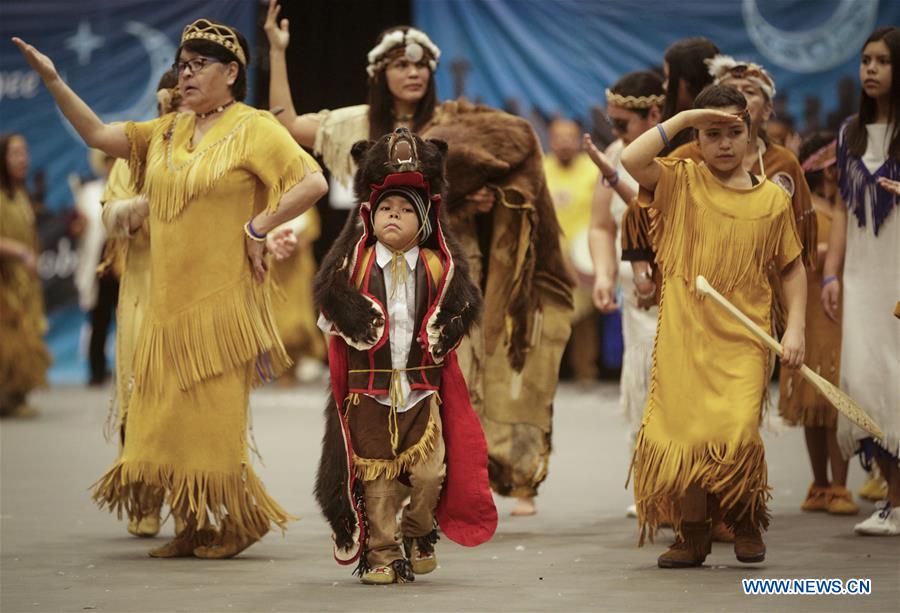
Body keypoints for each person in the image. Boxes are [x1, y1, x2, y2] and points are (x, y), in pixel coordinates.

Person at [13, 15, 328, 558]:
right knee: (165, 426)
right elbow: (96, 135)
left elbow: (313, 181)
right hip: (165, 308)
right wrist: (54, 81)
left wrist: (258, 226)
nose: (185, 75)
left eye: (198, 65)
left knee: (210, 425)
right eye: (181, 65)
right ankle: (190, 522)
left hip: (220, 310)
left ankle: (236, 521)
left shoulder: (254, 127)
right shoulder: (165, 131)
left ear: (232, 72)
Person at [265, 1, 573, 517]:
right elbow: (285, 122)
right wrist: (277, 53)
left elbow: (505, 164)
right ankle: (391, 484)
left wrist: (480, 201)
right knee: (382, 380)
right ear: (380, 74)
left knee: (459, 374)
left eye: (420, 65)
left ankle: (446, 487)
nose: (412, 72)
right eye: (400, 65)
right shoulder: (357, 123)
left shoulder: (457, 123)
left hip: (448, 269)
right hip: (374, 274)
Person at [622, 84, 806, 567]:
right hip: (684, 338)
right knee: (684, 436)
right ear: (697, 140)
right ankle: (692, 533)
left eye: (733, 132)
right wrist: (682, 119)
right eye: (711, 133)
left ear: (750, 134)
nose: (724, 143)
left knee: (738, 429)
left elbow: (792, 268)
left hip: (744, 340)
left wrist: (797, 329)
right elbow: (630, 161)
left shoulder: (772, 200)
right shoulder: (680, 181)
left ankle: (745, 520)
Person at [313, 129, 495, 584]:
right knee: (376, 479)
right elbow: (328, 314)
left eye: (404, 211)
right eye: (385, 210)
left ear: (425, 221)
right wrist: (348, 320)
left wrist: (449, 329)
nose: (393, 217)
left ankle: (419, 530)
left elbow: (464, 305)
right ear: (369, 215)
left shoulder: (440, 266)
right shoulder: (352, 265)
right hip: (369, 394)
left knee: (431, 475)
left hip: (421, 392)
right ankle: (381, 554)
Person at [822, 26, 900, 536]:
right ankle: (893, 499)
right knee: (868, 382)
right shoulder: (849, 135)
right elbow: (841, 213)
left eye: (882, 61)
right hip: (861, 280)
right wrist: (830, 272)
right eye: (865, 60)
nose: (870, 69)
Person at [583, 70, 664, 518]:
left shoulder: (677, 155)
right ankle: (652, 485)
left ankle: (695, 490)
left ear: (654, 114)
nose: (614, 133)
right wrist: (603, 274)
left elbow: (654, 211)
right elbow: (601, 225)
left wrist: (615, 177)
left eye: (623, 124)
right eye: (611, 124)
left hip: (677, 294)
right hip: (635, 300)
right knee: (640, 389)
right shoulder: (614, 153)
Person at [777, 132, 858, 515]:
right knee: (816, 407)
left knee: (834, 408)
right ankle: (823, 484)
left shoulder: (840, 212)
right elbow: (793, 259)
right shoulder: (807, 214)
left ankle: (838, 485)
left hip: (838, 317)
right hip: (812, 317)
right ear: (826, 173)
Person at [544, 117, 600, 385]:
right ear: (550, 140)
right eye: (559, 137)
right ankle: (549, 374)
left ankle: (585, 371)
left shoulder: (593, 171)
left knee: (585, 317)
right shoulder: (540, 169)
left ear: (579, 140)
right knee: (549, 316)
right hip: (550, 256)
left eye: (570, 137)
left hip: (584, 256)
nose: (565, 142)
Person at [0, 132, 51, 418]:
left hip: (23, 283)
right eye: (15, 153)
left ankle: (14, 395)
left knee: (24, 338)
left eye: (25, 153)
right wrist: (19, 252)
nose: (23, 159)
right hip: (4, 281)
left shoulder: (21, 194)